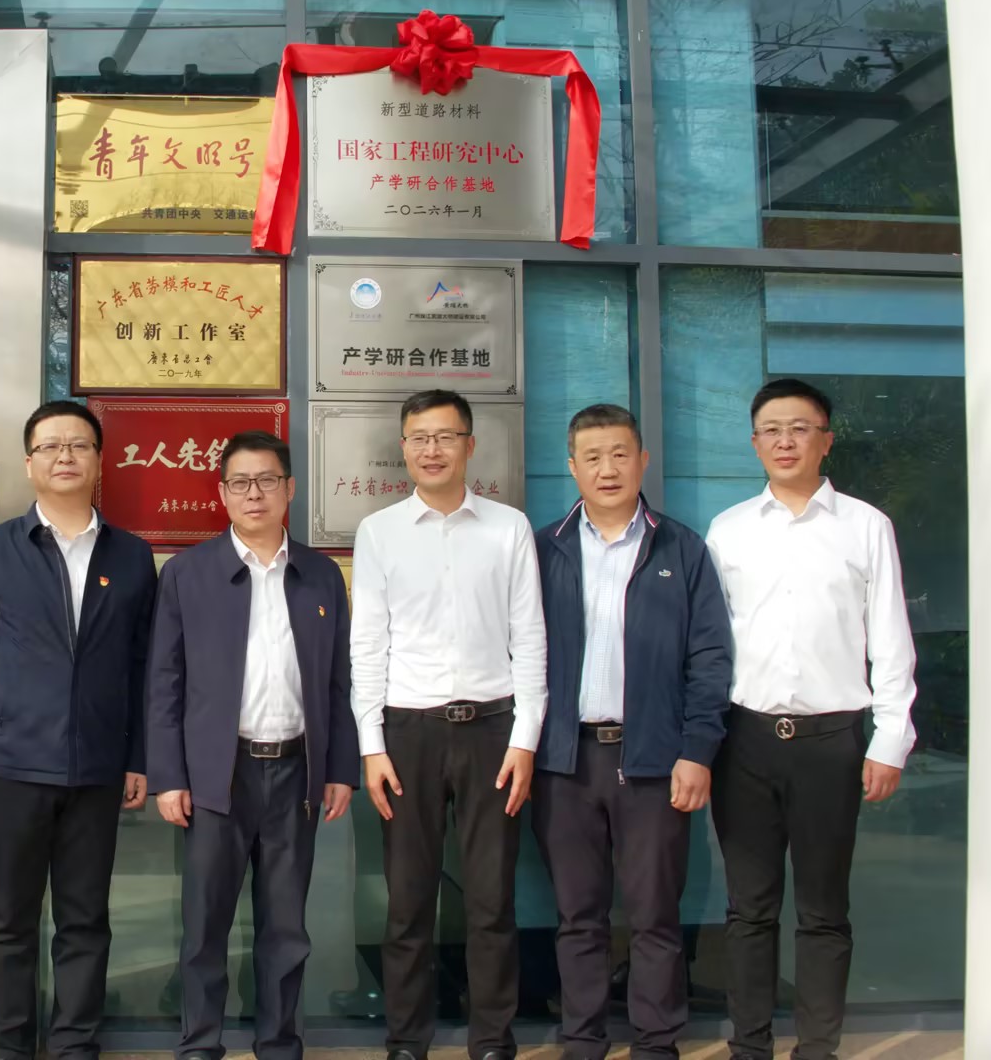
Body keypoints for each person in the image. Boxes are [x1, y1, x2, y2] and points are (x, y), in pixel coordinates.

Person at [705, 378, 917, 1060]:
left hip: (832, 740)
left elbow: (890, 639)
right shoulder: (729, 530)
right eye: (772, 429)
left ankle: (818, 1048)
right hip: (746, 740)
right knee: (749, 909)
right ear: (754, 443)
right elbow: (710, 645)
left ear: (826, 440)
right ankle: (750, 1046)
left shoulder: (865, 526)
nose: (785, 440)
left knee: (824, 910)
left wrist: (890, 738)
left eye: (800, 428)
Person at [147, 430, 359, 1060]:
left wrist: (339, 768)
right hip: (219, 774)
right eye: (240, 482)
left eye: (267, 480)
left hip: (296, 772)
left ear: (289, 488)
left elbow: (340, 679)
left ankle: (279, 1043)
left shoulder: (321, 575)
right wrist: (169, 776)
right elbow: (164, 681)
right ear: (222, 494)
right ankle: (200, 1044)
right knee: (204, 926)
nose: (254, 493)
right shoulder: (187, 573)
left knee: (286, 929)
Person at [0, 399, 158, 1060]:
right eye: (50, 446)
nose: (64, 456)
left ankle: (75, 1045)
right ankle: (8, 1047)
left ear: (99, 461)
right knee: (9, 921)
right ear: (29, 463)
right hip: (13, 763)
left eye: (78, 445)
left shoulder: (132, 555)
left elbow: (143, 665)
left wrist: (138, 756)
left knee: (85, 920)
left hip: (98, 766)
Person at [349, 388, 547, 1060]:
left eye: (444, 436)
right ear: (403, 447)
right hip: (408, 734)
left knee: (491, 900)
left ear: (470, 445)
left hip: (493, 733)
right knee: (408, 902)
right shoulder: (379, 532)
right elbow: (368, 646)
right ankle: (408, 1038)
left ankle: (492, 1038)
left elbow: (530, 638)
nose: (431, 450)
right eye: (419, 438)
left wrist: (525, 739)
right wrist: (372, 746)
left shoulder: (508, 528)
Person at [531, 403, 732, 1060]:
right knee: (578, 916)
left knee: (654, 915)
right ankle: (582, 1040)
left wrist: (696, 751)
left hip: (652, 761)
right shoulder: (544, 549)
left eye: (620, 454)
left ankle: (655, 1042)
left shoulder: (682, 548)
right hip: (565, 761)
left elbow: (709, 659)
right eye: (592, 457)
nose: (607, 468)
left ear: (642, 460)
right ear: (572, 467)